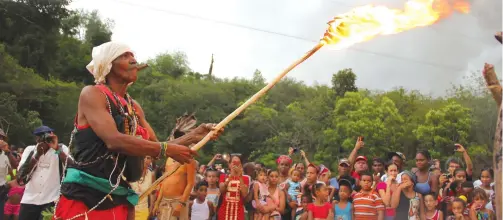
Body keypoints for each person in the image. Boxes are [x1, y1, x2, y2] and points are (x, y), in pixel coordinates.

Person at [54, 42, 223, 219]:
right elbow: (114, 140)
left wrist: (197, 134)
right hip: (85, 196)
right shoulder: (92, 94)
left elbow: (156, 146)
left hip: (118, 196)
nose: (133, 59)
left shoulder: (134, 107)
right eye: (125, 56)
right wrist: (166, 149)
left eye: (132, 55)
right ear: (108, 65)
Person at [17, 126, 71, 220]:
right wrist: (37, 155)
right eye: (41, 136)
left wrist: (57, 148)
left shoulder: (61, 148)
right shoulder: (30, 150)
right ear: (36, 138)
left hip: (52, 199)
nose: (44, 139)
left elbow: (72, 166)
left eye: (47, 136)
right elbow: (21, 173)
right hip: (29, 199)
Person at [155, 154, 196, 219]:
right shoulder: (169, 159)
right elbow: (165, 181)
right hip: (165, 201)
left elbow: (190, 184)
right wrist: (157, 203)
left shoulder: (189, 160)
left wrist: (180, 204)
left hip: (178, 202)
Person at [218, 155, 250, 220]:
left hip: (238, 213)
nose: (236, 165)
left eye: (238, 163)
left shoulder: (246, 178)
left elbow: (244, 194)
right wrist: (230, 177)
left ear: (241, 165)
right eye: (234, 163)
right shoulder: (223, 176)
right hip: (224, 212)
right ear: (229, 165)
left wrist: (240, 176)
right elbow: (222, 190)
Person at [130, 156, 155, 220]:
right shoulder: (129, 172)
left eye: (148, 158)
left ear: (151, 160)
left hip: (143, 210)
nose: (145, 160)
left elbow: (152, 193)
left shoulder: (151, 175)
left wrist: (151, 209)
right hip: (130, 210)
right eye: (143, 157)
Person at [0, 139, 18, 218]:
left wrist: (7, 151)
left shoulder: (5, 155)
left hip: (2, 190)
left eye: (2, 138)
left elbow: (16, 167)